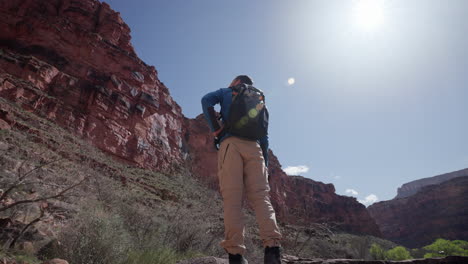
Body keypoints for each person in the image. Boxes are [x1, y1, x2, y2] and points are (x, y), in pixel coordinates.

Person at [201, 75, 282, 264]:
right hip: (255, 149)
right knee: (262, 198)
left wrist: (216, 129)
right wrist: (265, 164)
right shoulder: (260, 102)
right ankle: (272, 251)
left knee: (233, 200)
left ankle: (236, 255)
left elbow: (206, 101)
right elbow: (264, 137)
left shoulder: (228, 92)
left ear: (236, 82)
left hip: (230, 144)